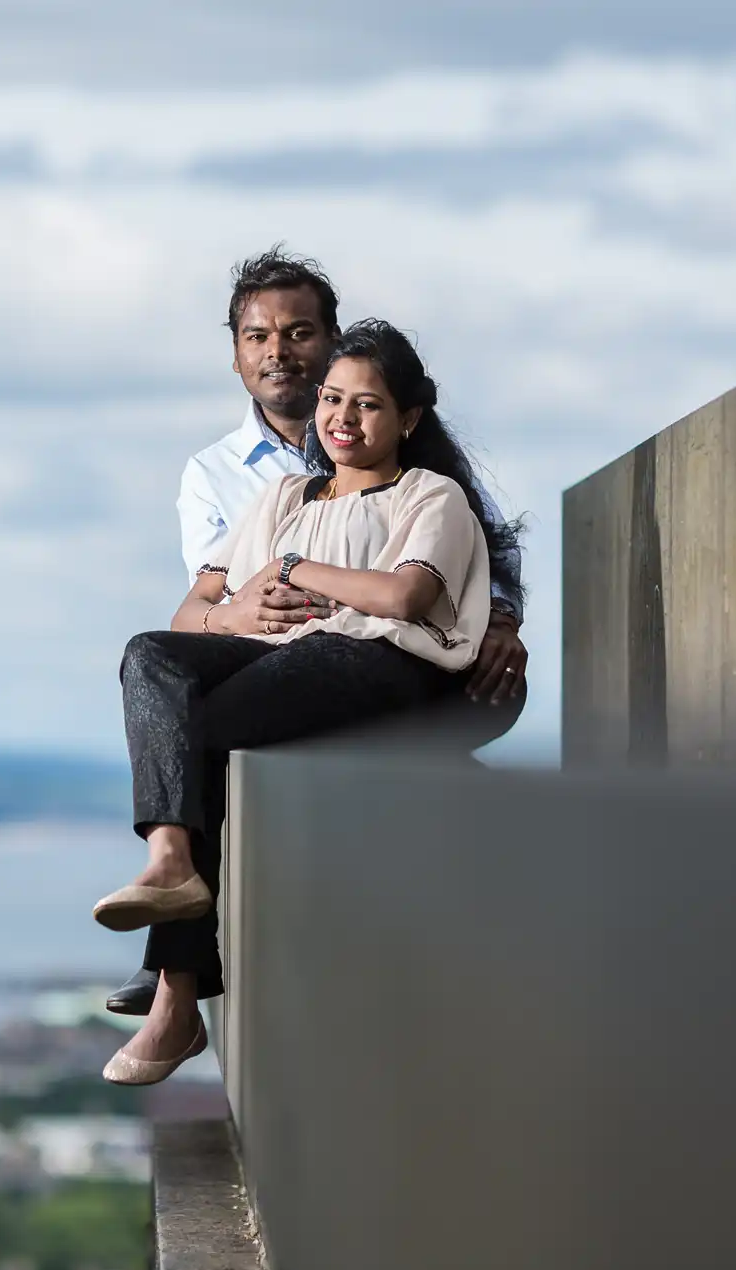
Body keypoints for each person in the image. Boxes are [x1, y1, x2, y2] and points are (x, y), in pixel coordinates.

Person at [96, 320, 524, 1085]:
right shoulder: (281, 495)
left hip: (380, 665)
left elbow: (404, 594)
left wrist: (299, 567)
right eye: (331, 400)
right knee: (149, 656)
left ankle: (178, 994)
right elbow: (198, 608)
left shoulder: (432, 495)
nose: (341, 419)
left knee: (196, 735)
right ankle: (167, 857)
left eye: (366, 405)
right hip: (282, 657)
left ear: (409, 419)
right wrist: (239, 608)